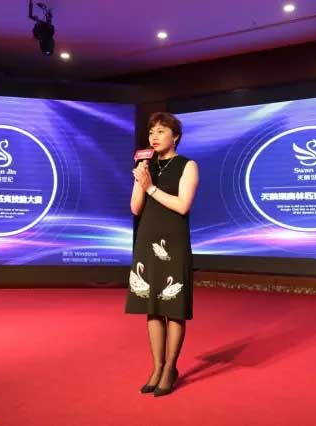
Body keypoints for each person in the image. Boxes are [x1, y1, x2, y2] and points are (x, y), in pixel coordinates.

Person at [125, 112, 199, 397]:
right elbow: (135, 208)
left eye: (161, 131)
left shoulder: (187, 165)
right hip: (147, 239)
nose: (154, 137)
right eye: (151, 132)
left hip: (174, 242)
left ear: (175, 136)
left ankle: (170, 368)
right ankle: (156, 367)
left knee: (173, 306)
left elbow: (182, 205)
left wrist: (151, 187)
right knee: (153, 306)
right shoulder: (145, 166)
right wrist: (140, 180)